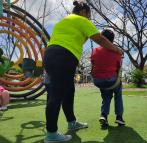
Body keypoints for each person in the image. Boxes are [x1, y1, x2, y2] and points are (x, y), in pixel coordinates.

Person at [43, 1, 123, 143]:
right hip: (63, 56)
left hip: (51, 55)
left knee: (68, 90)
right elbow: (100, 39)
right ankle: (51, 133)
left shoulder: (64, 21)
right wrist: (117, 49)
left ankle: (71, 122)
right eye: (89, 15)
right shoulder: (81, 20)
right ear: (84, 12)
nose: (89, 18)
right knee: (56, 94)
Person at [91, 29, 125, 128]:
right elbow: (118, 67)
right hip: (112, 80)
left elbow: (93, 63)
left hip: (98, 81)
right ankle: (119, 117)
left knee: (106, 96)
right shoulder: (117, 52)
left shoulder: (95, 50)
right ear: (112, 40)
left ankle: (103, 115)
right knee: (118, 93)